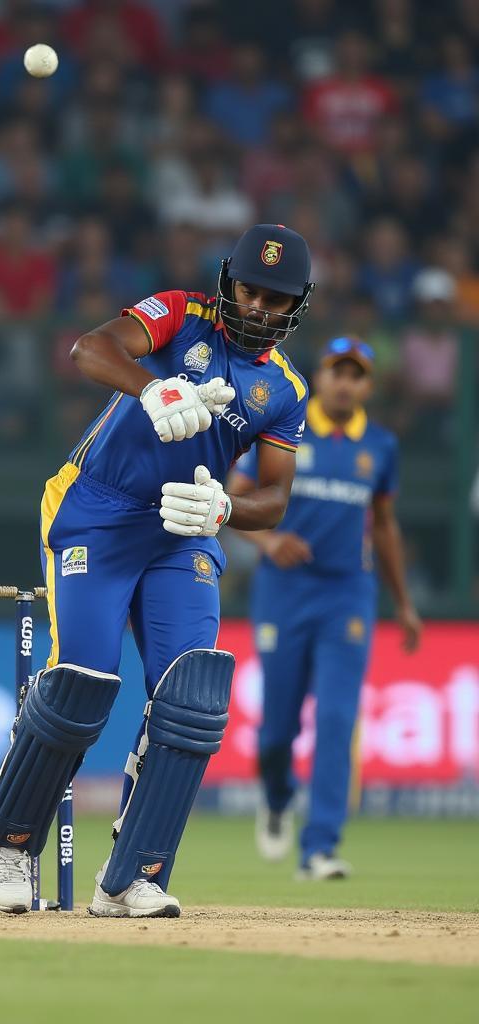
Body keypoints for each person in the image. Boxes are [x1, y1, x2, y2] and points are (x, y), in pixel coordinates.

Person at [0, 224, 314, 917]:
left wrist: (224, 508)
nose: (259, 308)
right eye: (250, 290)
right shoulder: (179, 314)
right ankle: (11, 844)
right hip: (95, 509)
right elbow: (89, 348)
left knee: (191, 694)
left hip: (183, 528)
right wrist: (154, 389)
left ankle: (132, 876)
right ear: (227, 283)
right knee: (84, 681)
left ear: (296, 305)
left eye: (276, 299)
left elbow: (275, 499)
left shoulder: (283, 389)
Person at [229, 336, 421, 879]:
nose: (345, 383)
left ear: (369, 386)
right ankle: (275, 797)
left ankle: (319, 848)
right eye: (338, 371)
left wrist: (404, 604)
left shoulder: (379, 445)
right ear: (321, 375)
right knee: (276, 731)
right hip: (284, 590)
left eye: (356, 375)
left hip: (348, 594)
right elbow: (232, 498)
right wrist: (270, 544)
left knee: (337, 719)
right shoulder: (283, 426)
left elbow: (383, 525)